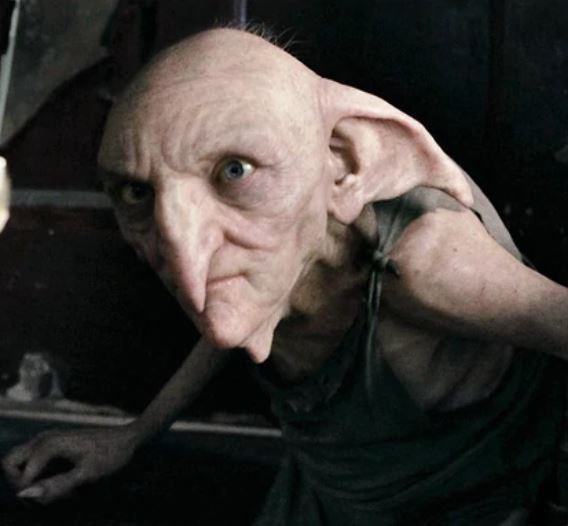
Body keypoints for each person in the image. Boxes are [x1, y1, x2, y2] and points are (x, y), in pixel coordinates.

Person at [3, 27, 568, 525]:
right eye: (136, 192)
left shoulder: (428, 264)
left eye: (235, 170)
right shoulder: (275, 242)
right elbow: (227, 310)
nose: (184, 254)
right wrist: (133, 435)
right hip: (329, 494)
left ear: (347, 163)